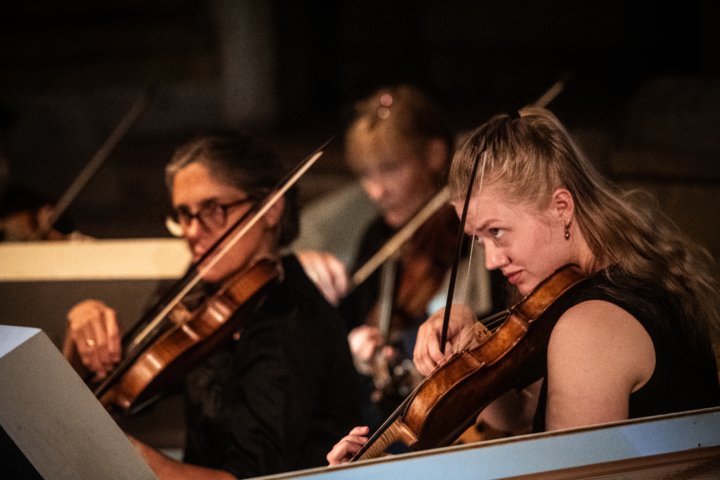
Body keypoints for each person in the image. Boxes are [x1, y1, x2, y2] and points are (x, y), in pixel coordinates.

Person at [327, 107, 720, 464]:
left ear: (561, 207)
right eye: (478, 239)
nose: (491, 260)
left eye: (497, 232)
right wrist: (477, 351)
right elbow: (523, 415)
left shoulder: (591, 324)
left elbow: (566, 475)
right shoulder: (617, 282)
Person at [62, 133, 359, 479]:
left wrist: (134, 457)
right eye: (184, 215)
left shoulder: (292, 323)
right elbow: (101, 389)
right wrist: (79, 329)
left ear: (271, 210)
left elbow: (250, 477)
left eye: (212, 210)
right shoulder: (202, 291)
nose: (192, 231)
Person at [298, 85, 500, 434]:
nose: (376, 191)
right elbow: (352, 323)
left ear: (435, 155)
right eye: (366, 174)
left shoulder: (472, 229)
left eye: (390, 168)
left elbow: (493, 323)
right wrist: (361, 351)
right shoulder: (379, 235)